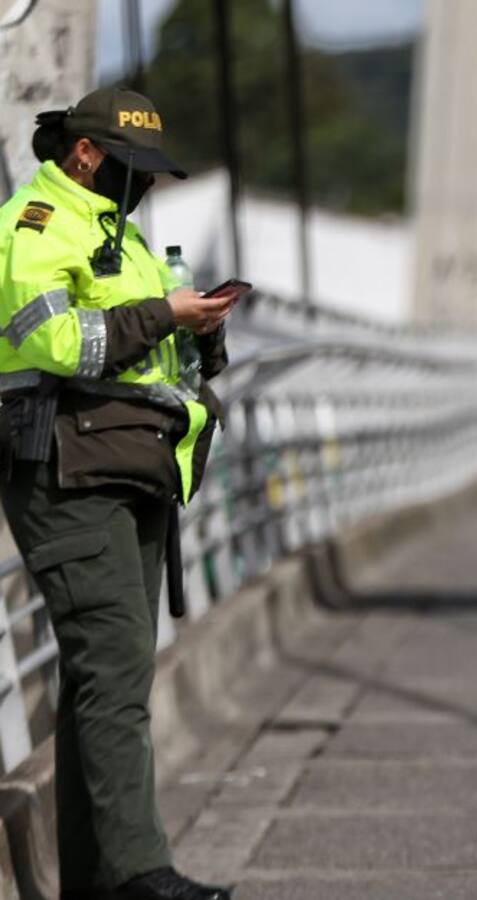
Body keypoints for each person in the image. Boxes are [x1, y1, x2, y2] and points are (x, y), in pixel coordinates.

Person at [0, 88, 237, 899]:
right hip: (65, 471)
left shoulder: (123, 236)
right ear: (87, 155)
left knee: (104, 675)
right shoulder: (34, 225)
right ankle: (139, 873)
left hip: (129, 467)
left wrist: (202, 331)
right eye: (131, 170)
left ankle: (97, 882)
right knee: (116, 667)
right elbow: (56, 340)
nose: (143, 188)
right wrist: (162, 314)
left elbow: (156, 357)